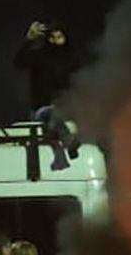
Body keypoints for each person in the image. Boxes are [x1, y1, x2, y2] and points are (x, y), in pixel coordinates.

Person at [13, 19, 81, 170]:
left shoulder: (71, 59)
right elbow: (19, 63)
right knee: (49, 114)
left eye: (59, 37)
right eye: (52, 38)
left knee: (54, 116)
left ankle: (63, 150)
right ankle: (69, 143)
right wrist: (28, 40)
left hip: (66, 108)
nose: (55, 42)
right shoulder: (39, 56)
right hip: (41, 110)